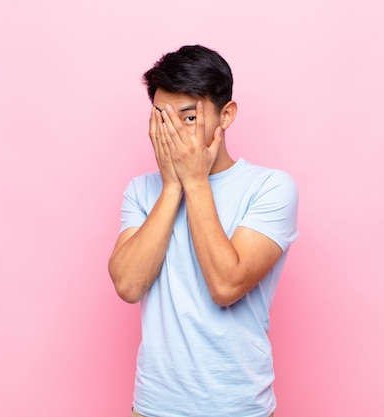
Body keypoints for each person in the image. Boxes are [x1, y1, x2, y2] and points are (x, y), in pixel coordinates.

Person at [108, 45, 299, 417]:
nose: (174, 131)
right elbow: (128, 286)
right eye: (162, 118)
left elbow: (226, 285)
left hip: (239, 408)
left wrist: (194, 181)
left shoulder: (270, 188)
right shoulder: (141, 191)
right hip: (153, 408)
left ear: (226, 116)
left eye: (189, 117)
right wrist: (172, 187)